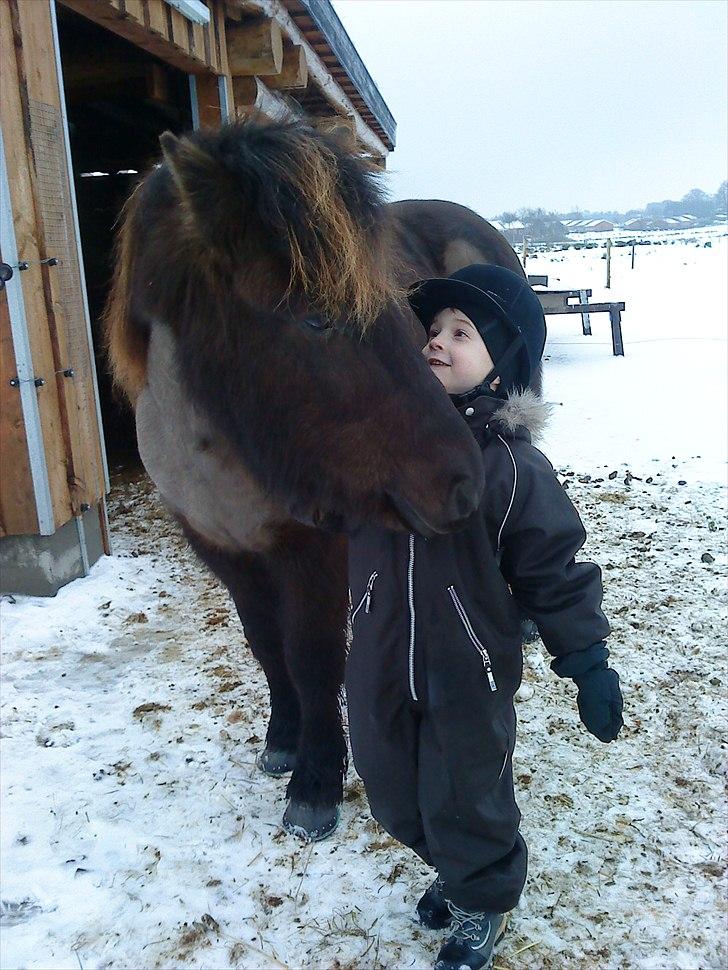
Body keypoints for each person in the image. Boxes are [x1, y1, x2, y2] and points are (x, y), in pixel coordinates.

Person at [345, 264, 624, 970]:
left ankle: (485, 900)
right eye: (434, 330)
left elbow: (553, 571)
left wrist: (586, 660)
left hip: (465, 670)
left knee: (468, 797)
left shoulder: (513, 469)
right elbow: (328, 512)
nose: (438, 340)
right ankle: (454, 868)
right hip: (379, 657)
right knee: (392, 792)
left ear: (505, 366)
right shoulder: (381, 450)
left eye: (462, 333)